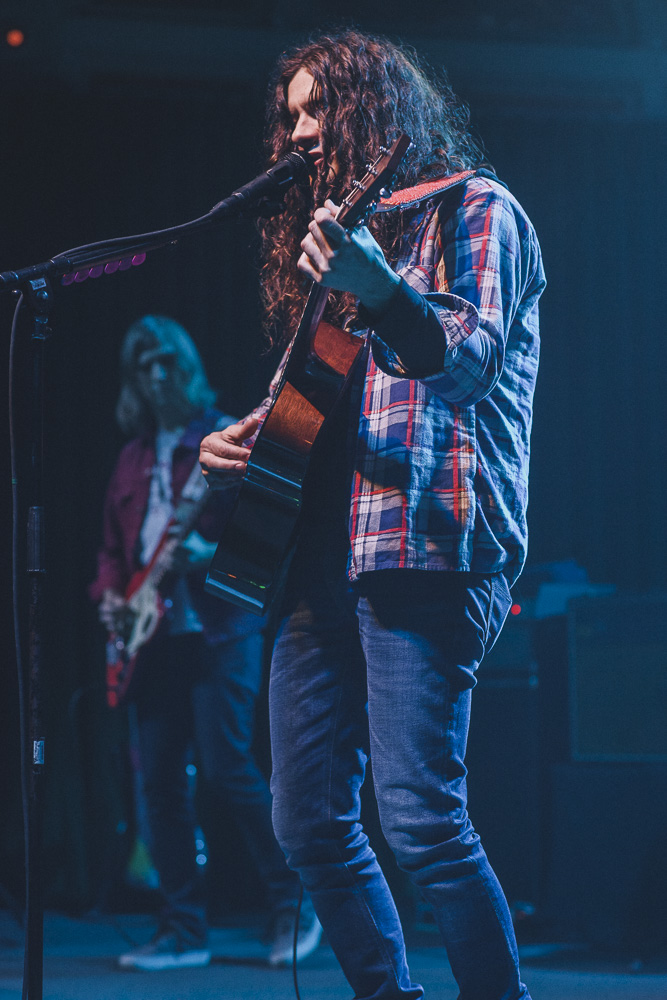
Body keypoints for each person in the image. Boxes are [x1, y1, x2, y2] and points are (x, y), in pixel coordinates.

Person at [200, 29, 544, 1000]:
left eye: (319, 109)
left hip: (424, 551)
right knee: (304, 819)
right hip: (314, 558)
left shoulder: (480, 210)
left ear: (372, 110)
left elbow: (466, 359)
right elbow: (305, 400)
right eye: (291, 114)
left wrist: (381, 290)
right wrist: (244, 437)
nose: (300, 130)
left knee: (423, 820)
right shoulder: (336, 248)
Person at [90, 315, 321, 971]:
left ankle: (292, 905)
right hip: (150, 637)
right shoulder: (131, 457)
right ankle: (182, 930)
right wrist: (109, 596)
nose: (156, 374)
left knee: (229, 771)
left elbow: (267, 533)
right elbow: (112, 548)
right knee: (158, 786)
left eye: (166, 361)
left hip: (221, 626)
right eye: (144, 365)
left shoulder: (221, 434)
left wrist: (206, 553)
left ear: (185, 364)